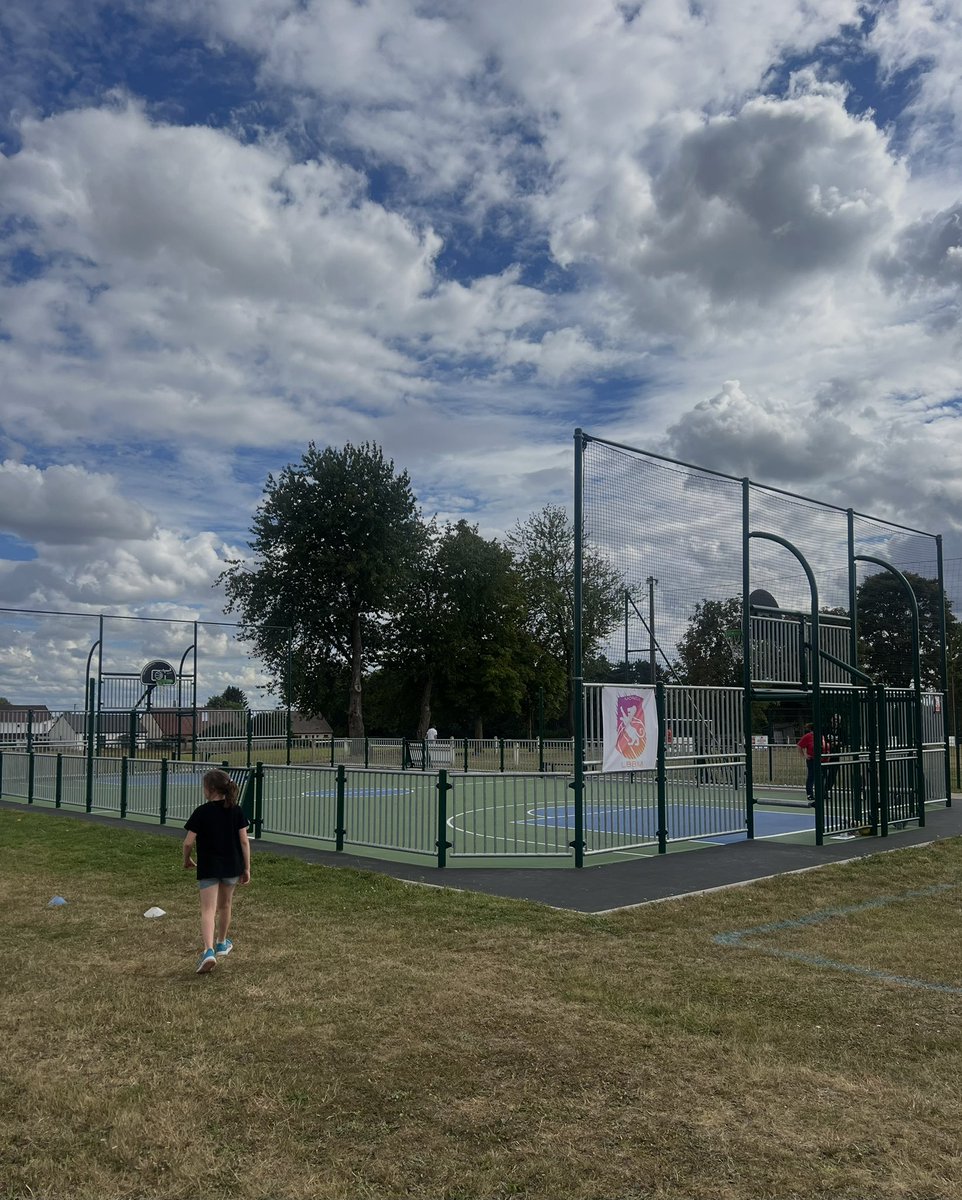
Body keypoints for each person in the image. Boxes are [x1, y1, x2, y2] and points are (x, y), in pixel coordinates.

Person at [183, 768, 251, 974]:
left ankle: (208, 950)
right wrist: (246, 867)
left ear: (210, 789)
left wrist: (187, 859)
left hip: (209, 867)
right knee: (225, 905)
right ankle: (222, 942)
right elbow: (244, 841)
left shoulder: (201, 812)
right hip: (232, 866)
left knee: (208, 909)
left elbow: (188, 843)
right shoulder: (236, 810)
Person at [796, 723, 828, 806]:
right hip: (812, 760)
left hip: (822, 760)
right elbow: (799, 746)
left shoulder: (822, 736)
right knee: (812, 776)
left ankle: (822, 793)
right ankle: (809, 794)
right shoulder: (808, 736)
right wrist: (804, 755)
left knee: (822, 776)